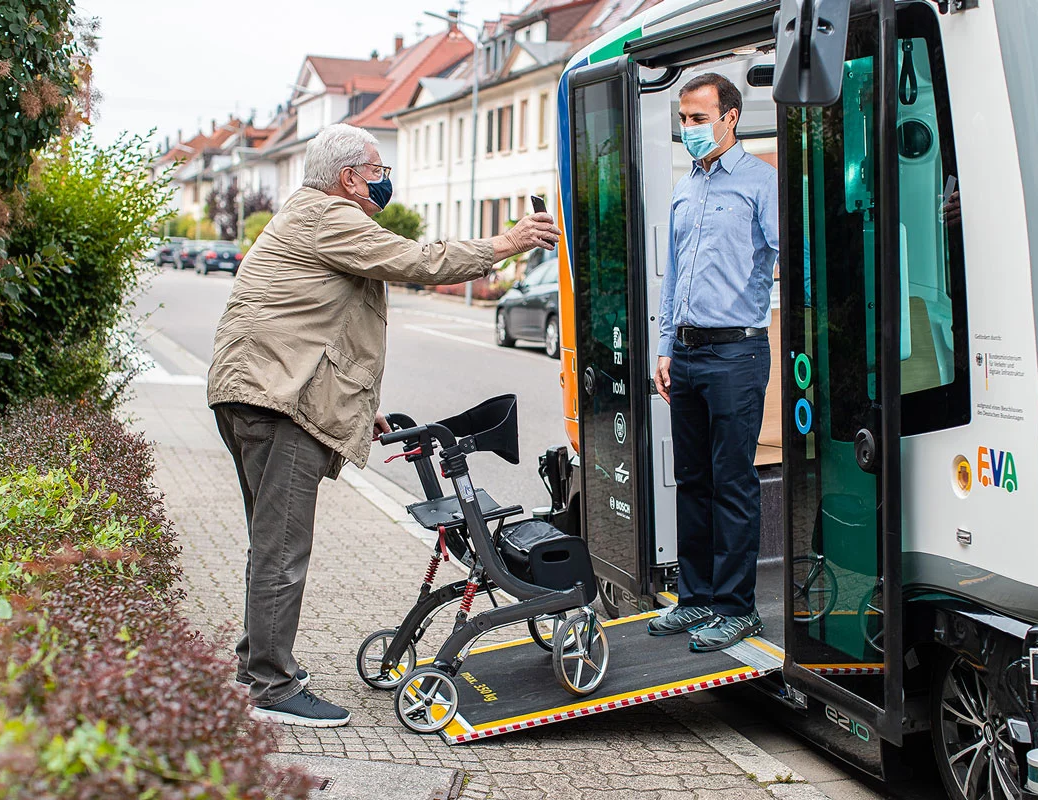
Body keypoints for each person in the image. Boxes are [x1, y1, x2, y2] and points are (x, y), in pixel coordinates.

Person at [207, 123, 560, 727]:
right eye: (378, 170)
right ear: (349, 178)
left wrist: (356, 404)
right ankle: (271, 686)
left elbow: (310, 323)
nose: (384, 180)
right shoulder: (333, 217)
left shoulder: (305, 215)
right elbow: (420, 261)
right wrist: (507, 242)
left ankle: (255, 667)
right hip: (278, 404)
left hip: (254, 394)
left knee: (269, 543)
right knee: (282, 549)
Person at [647, 73, 778, 652]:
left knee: (733, 483)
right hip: (688, 353)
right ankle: (696, 599)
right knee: (693, 482)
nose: (689, 128)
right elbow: (674, 274)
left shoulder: (761, 183)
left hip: (736, 352)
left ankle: (735, 608)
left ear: (730, 118)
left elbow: (794, 256)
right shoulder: (685, 188)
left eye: (698, 118)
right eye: (683, 119)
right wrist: (665, 346)